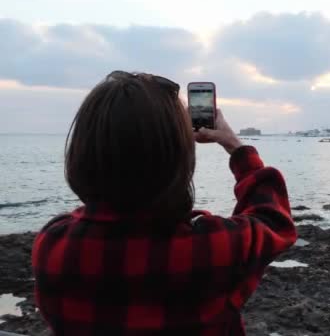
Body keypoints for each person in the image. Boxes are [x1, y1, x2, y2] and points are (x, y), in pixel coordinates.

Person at [31, 71, 296, 335]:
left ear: (83, 152)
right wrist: (234, 146)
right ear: (177, 158)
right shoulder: (212, 247)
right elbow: (274, 220)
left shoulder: (53, 246)